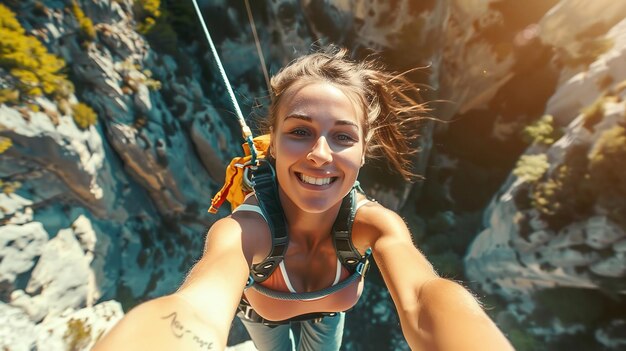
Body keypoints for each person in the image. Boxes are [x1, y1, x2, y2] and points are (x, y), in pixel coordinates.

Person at [93, 47, 513, 351]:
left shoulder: (375, 225)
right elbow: (195, 310)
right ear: (272, 143)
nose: (321, 154)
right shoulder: (245, 231)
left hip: (327, 316)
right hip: (263, 321)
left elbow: (425, 297)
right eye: (299, 131)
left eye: (344, 136)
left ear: (364, 151)